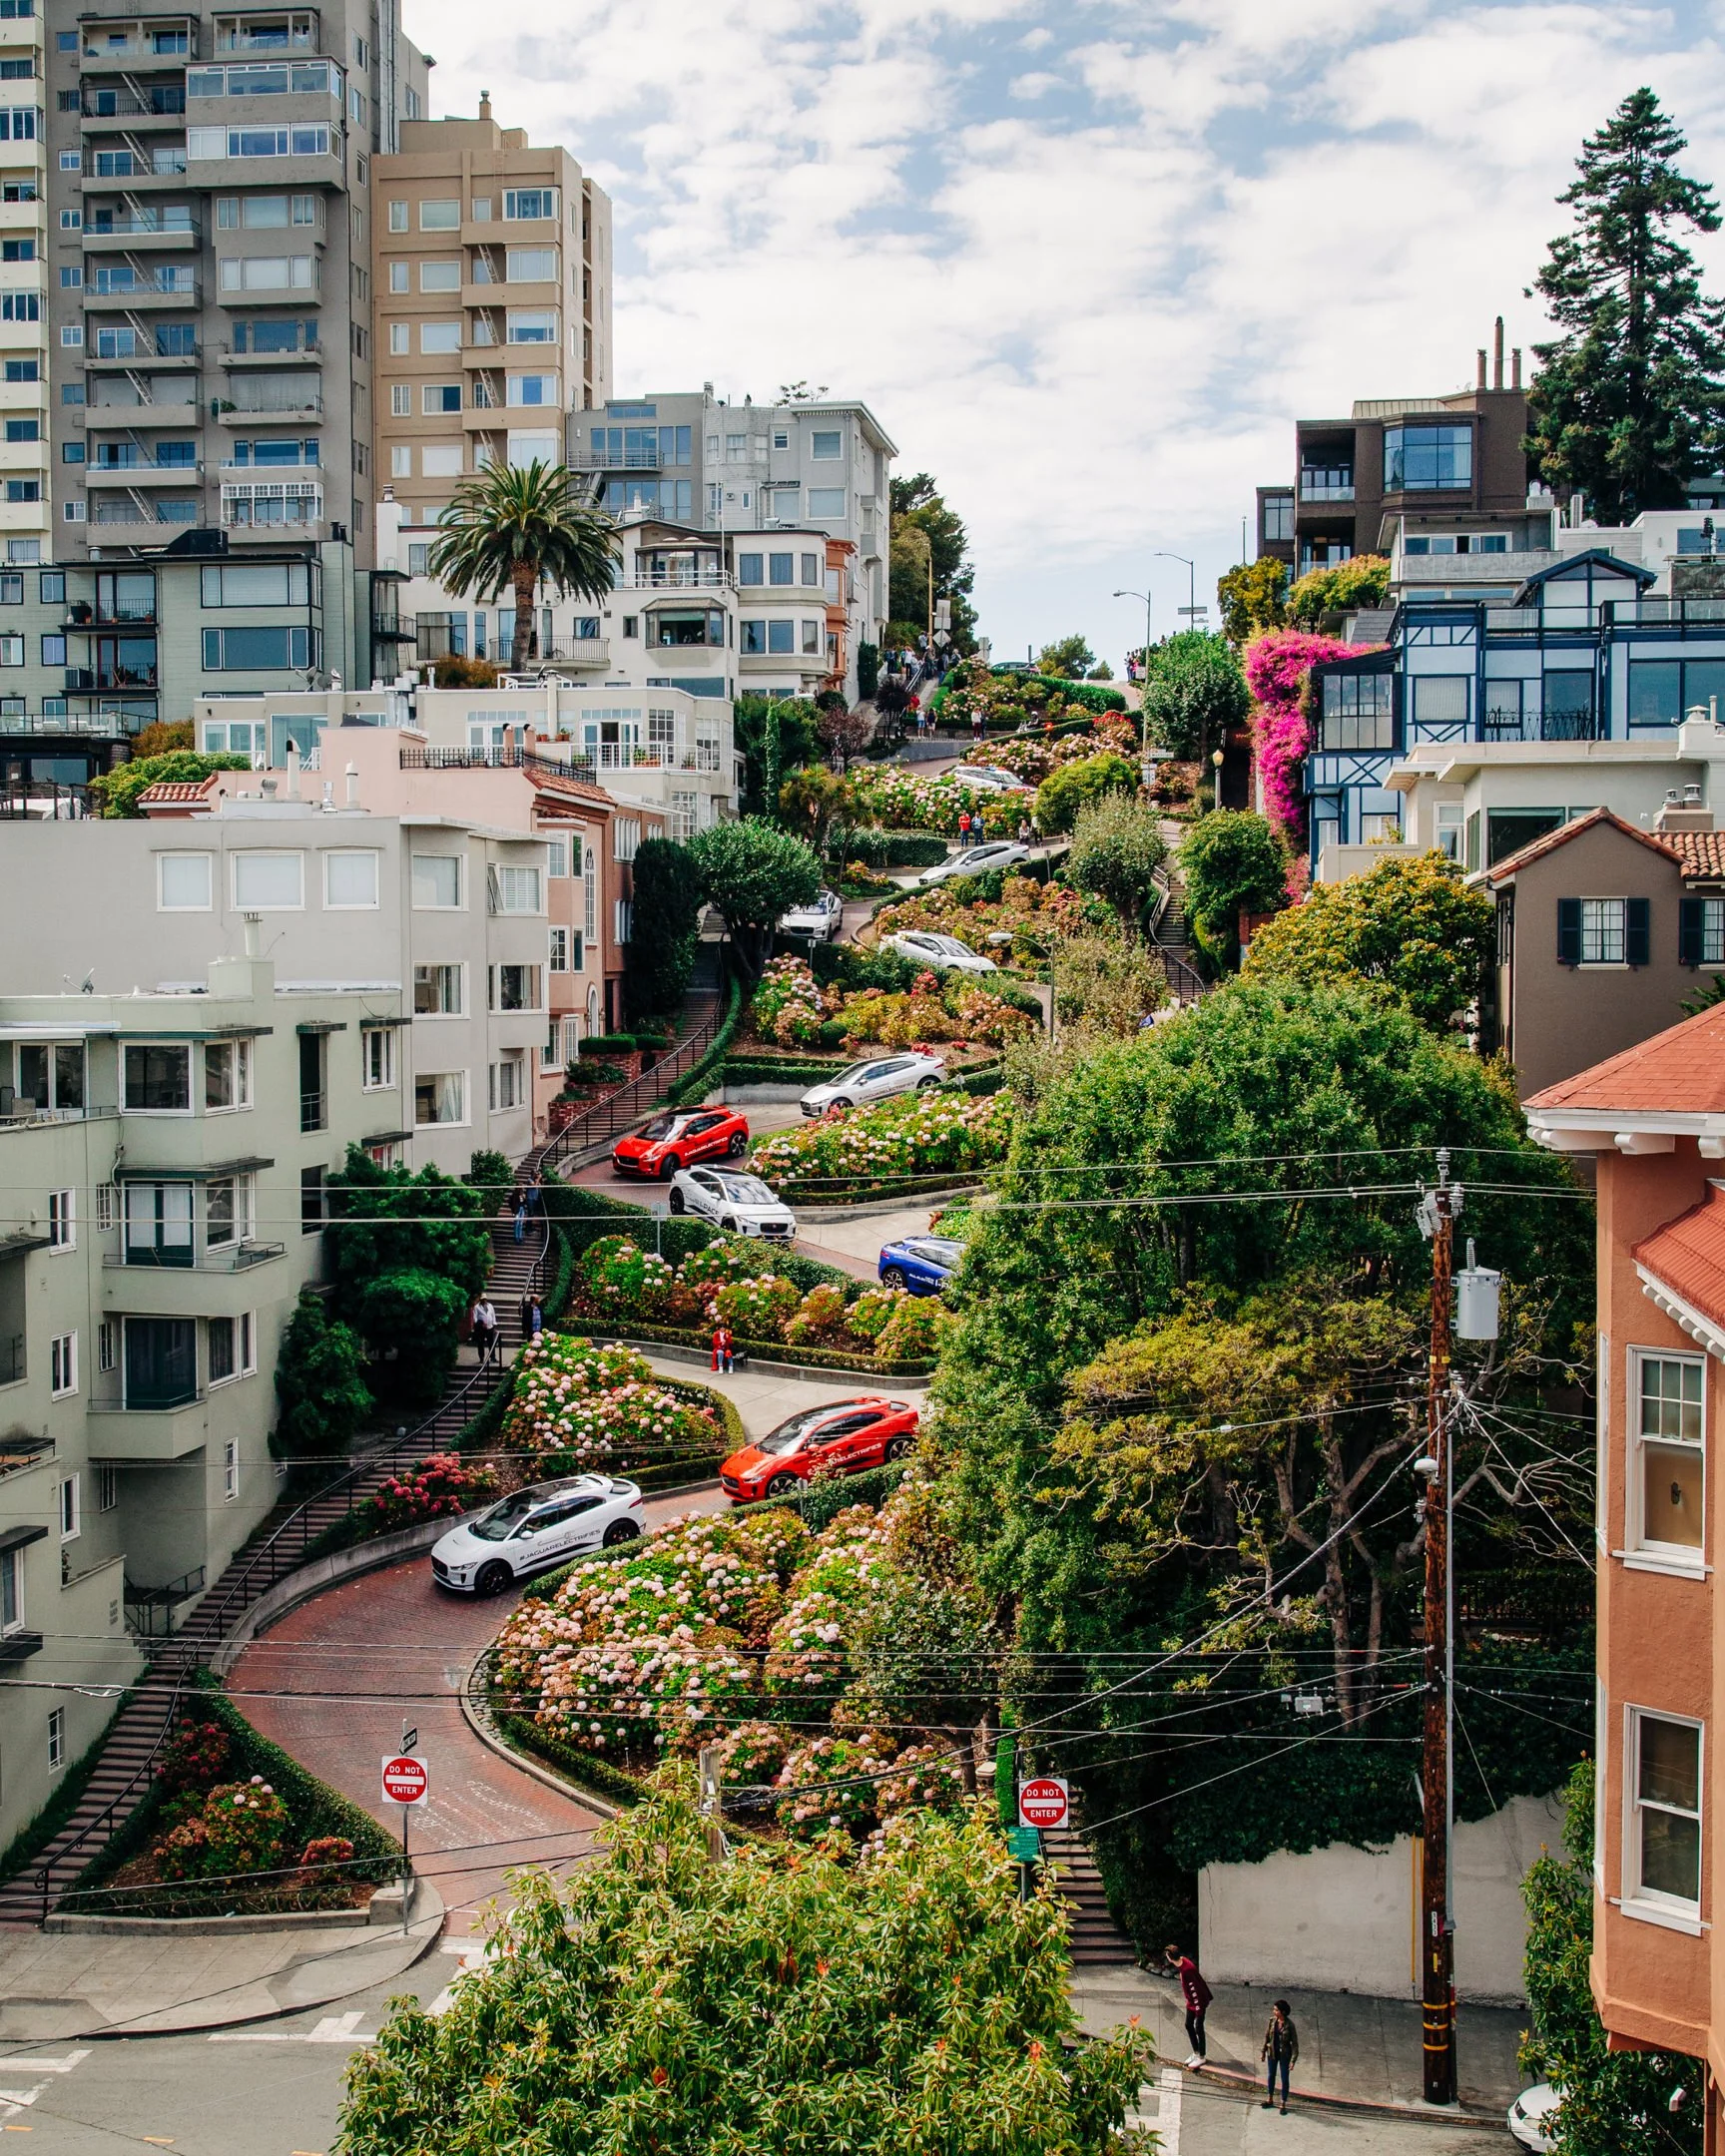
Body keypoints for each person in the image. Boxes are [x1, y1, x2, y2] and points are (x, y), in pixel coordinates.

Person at [1165, 1944, 1212, 2068]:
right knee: (1188, 2025)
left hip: (1198, 2002)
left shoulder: (1187, 1971)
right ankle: (1196, 2052)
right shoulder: (1182, 1962)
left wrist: (1198, 2010)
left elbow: (1195, 1990)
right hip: (1191, 2001)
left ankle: (1201, 2056)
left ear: (1170, 1958)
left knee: (1198, 2028)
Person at [1261, 1999, 1299, 2113]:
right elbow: (1267, 2037)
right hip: (1272, 2053)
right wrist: (1263, 2051)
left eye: (1276, 2010)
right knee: (1271, 2075)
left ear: (1282, 2012)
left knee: (1284, 2079)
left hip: (1284, 2055)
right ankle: (1270, 2098)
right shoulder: (1272, 2021)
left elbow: (1295, 2044)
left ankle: (1283, 2103)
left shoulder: (1290, 2025)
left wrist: (1293, 2060)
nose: (1274, 2012)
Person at [470, 1296, 498, 1364]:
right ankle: (481, 1358)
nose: (484, 1301)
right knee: (480, 1343)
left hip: (490, 1327)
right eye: (483, 1299)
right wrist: (480, 1324)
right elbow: (475, 1318)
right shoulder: (477, 1307)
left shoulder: (490, 1305)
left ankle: (493, 1357)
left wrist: (494, 1324)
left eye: (485, 1299)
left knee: (491, 1343)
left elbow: (493, 1315)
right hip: (481, 1328)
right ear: (480, 1300)